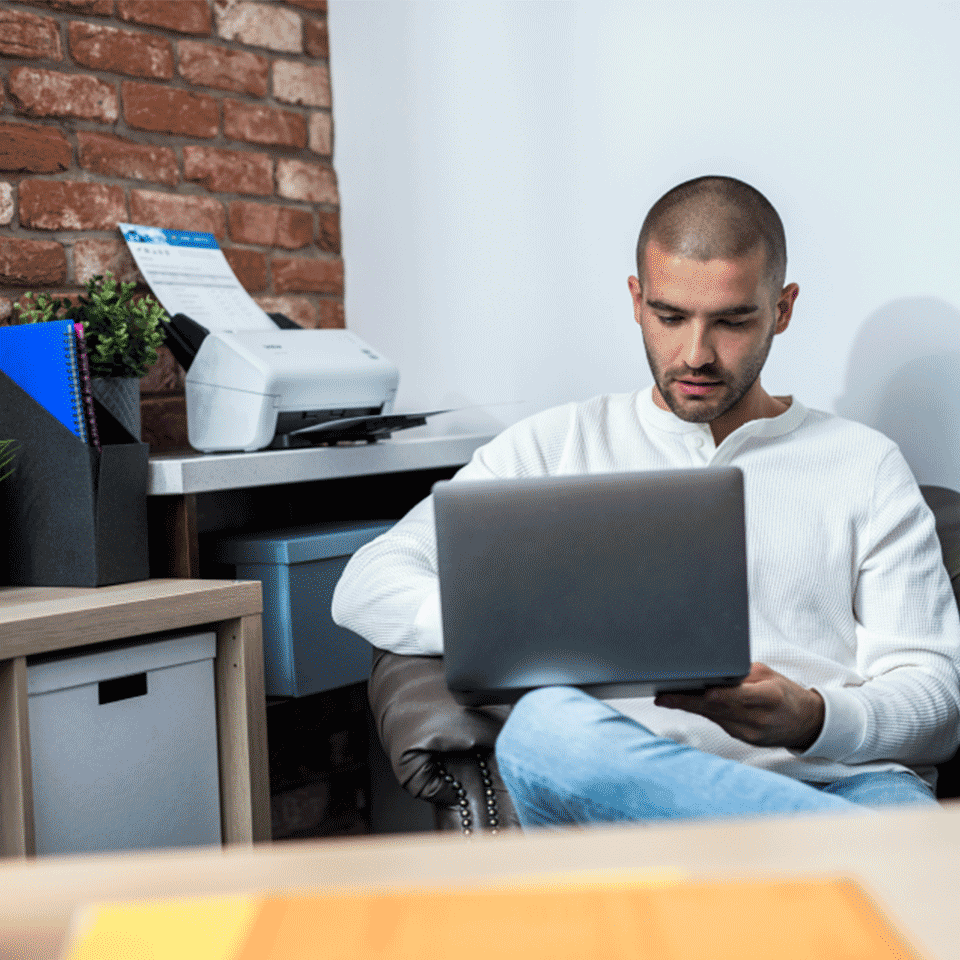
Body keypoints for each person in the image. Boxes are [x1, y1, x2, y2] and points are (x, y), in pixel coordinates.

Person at [332, 175, 960, 826]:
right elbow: (365, 584)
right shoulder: (556, 445)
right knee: (545, 733)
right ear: (637, 300)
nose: (696, 354)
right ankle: (847, 860)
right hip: (627, 790)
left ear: (783, 308)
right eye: (670, 316)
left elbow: (937, 698)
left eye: (732, 321)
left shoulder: (864, 464)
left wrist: (811, 717)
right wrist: (511, 626)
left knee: (888, 812)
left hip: (844, 783)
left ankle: (803, 853)